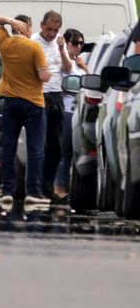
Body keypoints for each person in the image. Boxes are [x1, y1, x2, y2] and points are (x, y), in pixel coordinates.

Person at [0, 14, 52, 208]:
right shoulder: (35, 47)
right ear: (28, 27)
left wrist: (9, 21)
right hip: (33, 102)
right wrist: (46, 71)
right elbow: (44, 76)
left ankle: (7, 190)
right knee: (35, 148)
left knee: (8, 147)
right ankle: (33, 192)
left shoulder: (4, 44)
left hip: (10, 102)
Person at [30, 11, 71, 196]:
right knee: (40, 144)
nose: (52, 34)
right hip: (39, 95)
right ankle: (35, 186)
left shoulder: (59, 42)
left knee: (56, 145)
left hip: (56, 95)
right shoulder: (33, 42)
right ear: (41, 25)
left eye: (55, 30)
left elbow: (68, 69)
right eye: (49, 29)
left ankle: (48, 186)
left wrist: (63, 50)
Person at [54, 28, 89, 200]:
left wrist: (85, 66)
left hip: (79, 111)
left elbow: (91, 83)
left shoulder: (79, 63)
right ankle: (58, 188)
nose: (79, 46)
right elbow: (66, 75)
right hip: (67, 110)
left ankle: (62, 186)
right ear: (67, 43)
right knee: (64, 151)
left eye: (81, 43)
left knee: (71, 152)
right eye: (75, 43)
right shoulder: (65, 61)